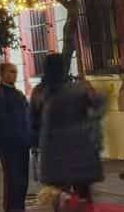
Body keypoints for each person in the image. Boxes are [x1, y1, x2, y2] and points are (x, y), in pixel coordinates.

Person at [30, 53, 104, 207]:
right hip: (81, 153)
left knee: (59, 199)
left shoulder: (40, 93)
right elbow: (98, 106)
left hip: (53, 156)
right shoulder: (79, 89)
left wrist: (36, 145)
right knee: (83, 199)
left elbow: (33, 123)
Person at [0, 63, 32, 212]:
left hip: (22, 143)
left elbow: (26, 117)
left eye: (15, 72)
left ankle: (19, 208)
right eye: (11, 72)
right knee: (12, 179)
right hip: (7, 145)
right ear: (2, 74)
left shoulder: (19, 95)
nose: (14, 75)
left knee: (22, 180)